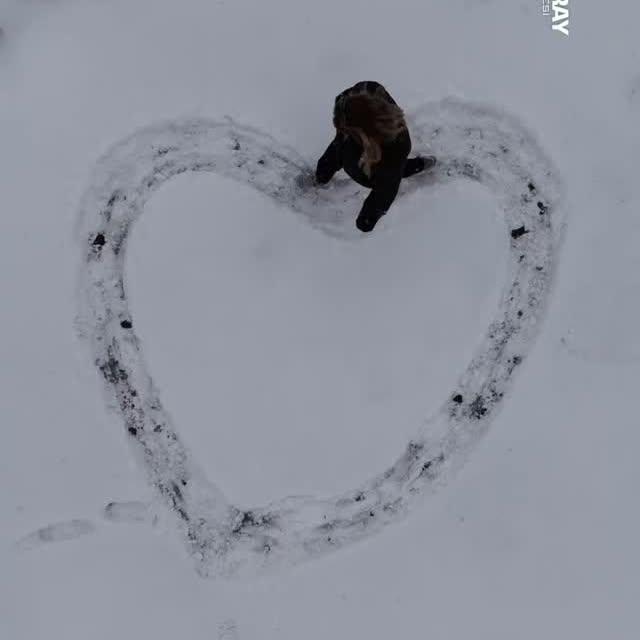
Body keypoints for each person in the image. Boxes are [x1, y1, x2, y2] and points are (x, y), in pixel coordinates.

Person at [315, 81, 435, 232]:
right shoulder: (364, 91)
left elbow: (385, 191)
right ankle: (322, 173)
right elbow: (345, 103)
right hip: (353, 138)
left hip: (379, 160)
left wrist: (367, 219)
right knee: (336, 153)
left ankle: (422, 164)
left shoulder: (397, 145)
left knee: (389, 173)